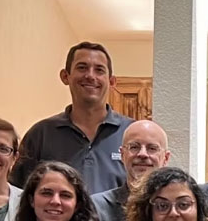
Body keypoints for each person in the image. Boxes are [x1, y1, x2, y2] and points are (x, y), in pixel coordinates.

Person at [11, 41, 136, 195]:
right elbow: (18, 196)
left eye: (99, 70)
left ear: (111, 82)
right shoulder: (40, 134)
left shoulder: (132, 134)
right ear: (65, 76)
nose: (90, 76)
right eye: (82, 67)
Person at [92, 120, 172, 221]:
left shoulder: (176, 210)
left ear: (165, 158)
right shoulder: (97, 207)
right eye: (134, 147)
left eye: (152, 148)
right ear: (122, 154)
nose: (142, 154)